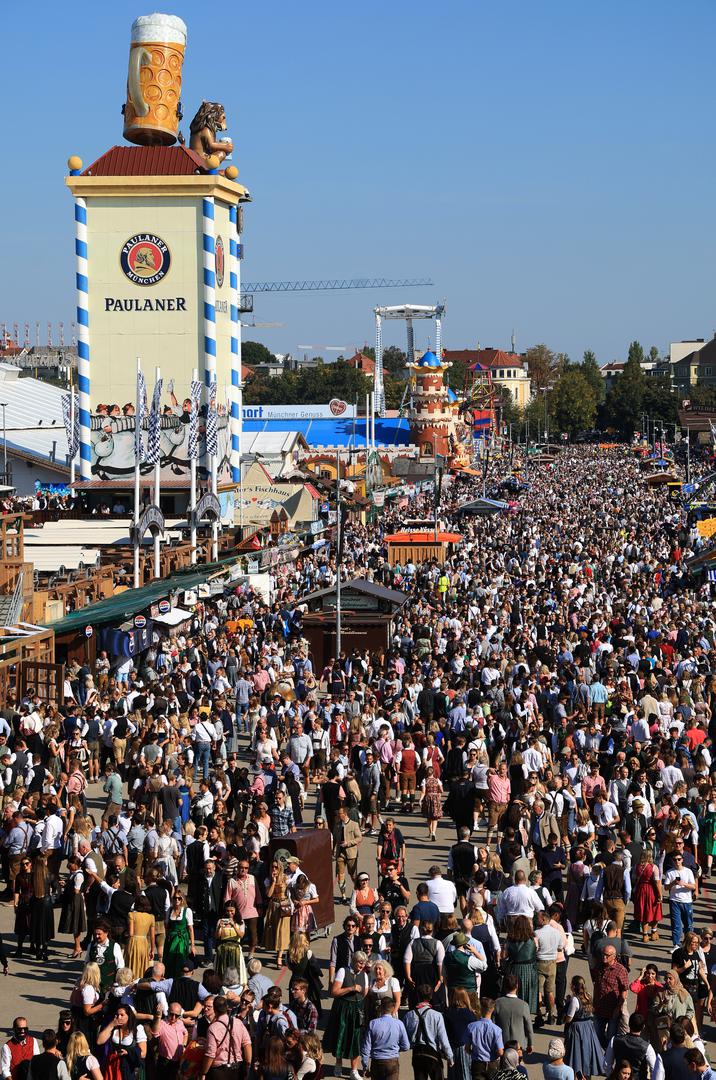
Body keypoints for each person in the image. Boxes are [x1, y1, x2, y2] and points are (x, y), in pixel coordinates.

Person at [324, 950, 369, 1080]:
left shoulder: (364, 975)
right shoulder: (343, 971)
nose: (362, 966)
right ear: (353, 961)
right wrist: (351, 988)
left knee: (356, 1039)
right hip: (343, 1008)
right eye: (360, 963)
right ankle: (338, 1064)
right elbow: (334, 992)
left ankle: (354, 1071)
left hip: (356, 1010)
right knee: (341, 1035)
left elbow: (364, 993)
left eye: (363, 963)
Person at [404, 984, 454, 1080]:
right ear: (431, 996)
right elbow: (443, 1039)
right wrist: (449, 1057)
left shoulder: (408, 1015)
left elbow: (406, 1038)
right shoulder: (437, 1015)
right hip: (433, 1054)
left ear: (418, 996)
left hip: (417, 1054)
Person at [198, 994, 252, 1080]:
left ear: (215, 1009)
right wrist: (248, 1066)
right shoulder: (238, 1022)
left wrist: (203, 1073)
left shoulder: (213, 1028)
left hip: (219, 1072)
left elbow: (210, 1054)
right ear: (227, 1008)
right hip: (237, 1069)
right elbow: (247, 1044)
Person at [563, 975, 605, 1080]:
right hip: (588, 1028)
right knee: (587, 1055)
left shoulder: (574, 1000)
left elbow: (569, 1018)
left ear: (572, 986)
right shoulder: (589, 996)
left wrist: (566, 1006)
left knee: (576, 1057)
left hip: (577, 1029)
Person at [360, 996, 410, 1080]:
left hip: (376, 1062)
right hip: (392, 1062)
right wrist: (395, 1049)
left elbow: (366, 1048)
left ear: (381, 1008)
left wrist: (365, 1066)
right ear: (393, 1008)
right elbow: (406, 1046)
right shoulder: (399, 1024)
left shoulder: (373, 1024)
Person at [603, 1013, 664, 1080]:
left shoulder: (615, 1040)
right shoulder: (647, 1047)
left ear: (629, 1024)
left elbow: (606, 1065)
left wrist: (614, 1076)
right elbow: (655, 1070)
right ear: (643, 1027)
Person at [96, 1005, 146, 1080]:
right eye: (117, 1015)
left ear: (129, 1016)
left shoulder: (137, 1029)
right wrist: (111, 1025)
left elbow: (143, 1053)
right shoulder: (114, 1028)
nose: (119, 1017)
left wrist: (128, 1052)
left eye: (122, 1015)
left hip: (131, 1067)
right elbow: (99, 1041)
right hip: (114, 1066)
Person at [592, 945, 628, 1048]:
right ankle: (600, 1056)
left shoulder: (620, 970)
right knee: (597, 1036)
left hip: (613, 1010)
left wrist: (619, 1007)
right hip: (599, 1008)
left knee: (611, 1038)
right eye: (603, 954)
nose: (604, 957)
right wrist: (594, 1004)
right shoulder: (598, 967)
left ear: (614, 956)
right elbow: (596, 985)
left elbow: (624, 991)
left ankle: (608, 1059)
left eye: (607, 955)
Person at [503, 916, 538, 1016]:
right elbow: (536, 951)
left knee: (513, 991)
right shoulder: (533, 938)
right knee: (528, 993)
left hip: (515, 968)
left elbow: (504, 956)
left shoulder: (510, 938)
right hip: (529, 969)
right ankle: (526, 1014)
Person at [493, 976, 533, 1058]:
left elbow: (493, 1024)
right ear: (517, 986)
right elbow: (529, 1027)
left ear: (504, 986)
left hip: (502, 1043)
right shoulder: (524, 1005)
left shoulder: (497, 1003)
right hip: (519, 1045)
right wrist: (530, 1044)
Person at [662, 854, 696, 947]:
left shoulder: (688, 871)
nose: (677, 861)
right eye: (675, 859)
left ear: (682, 860)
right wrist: (673, 883)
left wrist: (683, 884)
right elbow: (665, 888)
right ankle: (676, 945)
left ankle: (689, 944)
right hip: (674, 901)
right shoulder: (670, 872)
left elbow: (693, 886)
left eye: (679, 859)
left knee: (688, 925)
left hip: (687, 901)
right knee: (676, 925)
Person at [465, 997, 503, 1079]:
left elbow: (467, 1048)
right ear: (492, 1009)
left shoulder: (471, 1026)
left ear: (480, 1009)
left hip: (477, 1063)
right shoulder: (497, 1030)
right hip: (492, 1063)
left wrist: (474, 1053)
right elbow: (500, 1052)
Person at [264, 860, 292, 969]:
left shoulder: (286, 878)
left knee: (282, 931)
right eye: (272, 867)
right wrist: (273, 882)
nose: (274, 869)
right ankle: (277, 950)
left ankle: (279, 957)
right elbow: (269, 894)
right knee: (273, 930)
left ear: (280, 868)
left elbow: (291, 892)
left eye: (276, 867)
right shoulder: (268, 879)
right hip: (273, 905)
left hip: (283, 905)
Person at [164, 891, 195, 980]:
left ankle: (179, 980)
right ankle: (169, 980)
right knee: (169, 960)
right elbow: (166, 925)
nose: (177, 900)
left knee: (180, 960)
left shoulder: (187, 911)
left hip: (182, 940)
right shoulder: (169, 910)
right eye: (175, 898)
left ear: (182, 900)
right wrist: (168, 936)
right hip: (171, 939)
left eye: (179, 898)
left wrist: (192, 945)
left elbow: (190, 929)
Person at [632, 850, 662, 943]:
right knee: (654, 911)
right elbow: (657, 882)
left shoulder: (636, 866)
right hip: (651, 890)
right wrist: (660, 895)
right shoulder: (653, 867)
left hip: (640, 890)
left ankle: (645, 934)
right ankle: (653, 932)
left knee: (643, 912)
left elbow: (633, 879)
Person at [214, 900, 246, 983]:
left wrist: (234, 926)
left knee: (235, 969)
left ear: (236, 910)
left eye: (232, 911)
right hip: (223, 949)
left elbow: (241, 935)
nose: (229, 913)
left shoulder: (240, 922)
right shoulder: (220, 921)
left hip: (235, 949)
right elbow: (217, 936)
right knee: (222, 969)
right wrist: (219, 928)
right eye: (228, 911)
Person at [125, 895, 155, 980]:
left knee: (132, 964)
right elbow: (152, 936)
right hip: (144, 942)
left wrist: (126, 934)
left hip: (134, 942)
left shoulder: (132, 915)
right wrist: (152, 950)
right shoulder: (151, 917)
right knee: (142, 966)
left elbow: (131, 933)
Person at [420, 765, 444, 841]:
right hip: (436, 798)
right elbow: (441, 790)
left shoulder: (424, 780)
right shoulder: (437, 780)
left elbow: (423, 792)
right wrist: (438, 794)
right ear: (433, 772)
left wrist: (420, 800)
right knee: (435, 817)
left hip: (428, 798)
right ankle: (433, 832)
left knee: (429, 817)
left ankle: (430, 832)